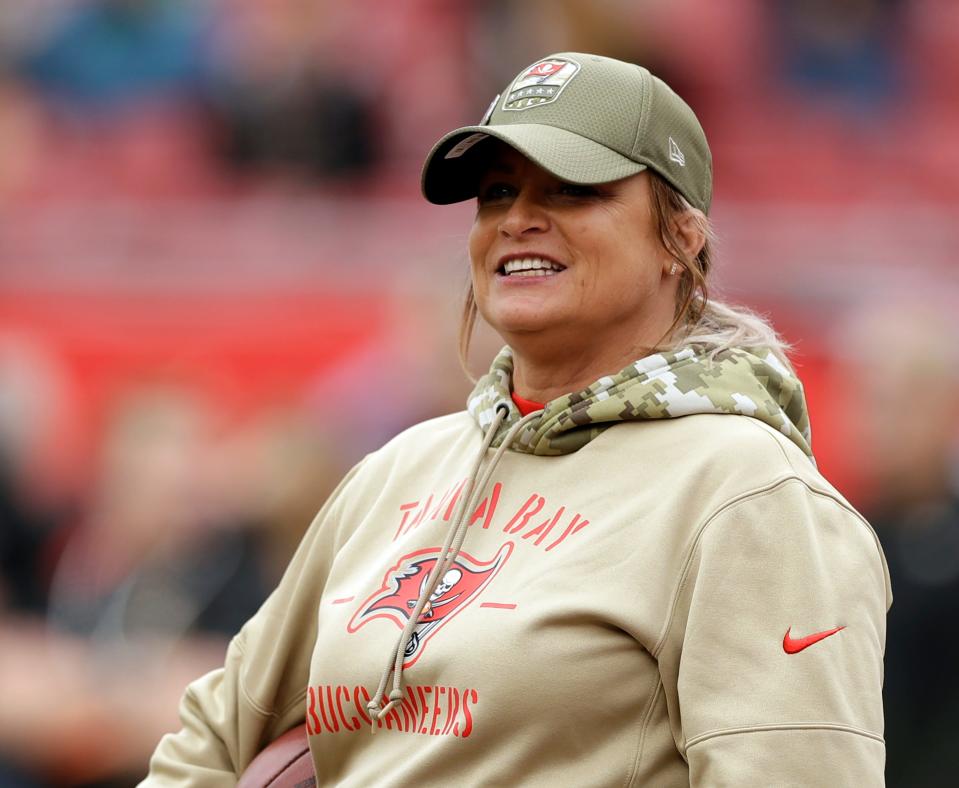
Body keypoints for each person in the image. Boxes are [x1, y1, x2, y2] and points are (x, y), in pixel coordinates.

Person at [142, 52, 890, 786]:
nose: (518, 220)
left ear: (680, 239)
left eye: (570, 191)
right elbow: (213, 735)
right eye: (497, 193)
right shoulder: (396, 471)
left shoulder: (748, 495)